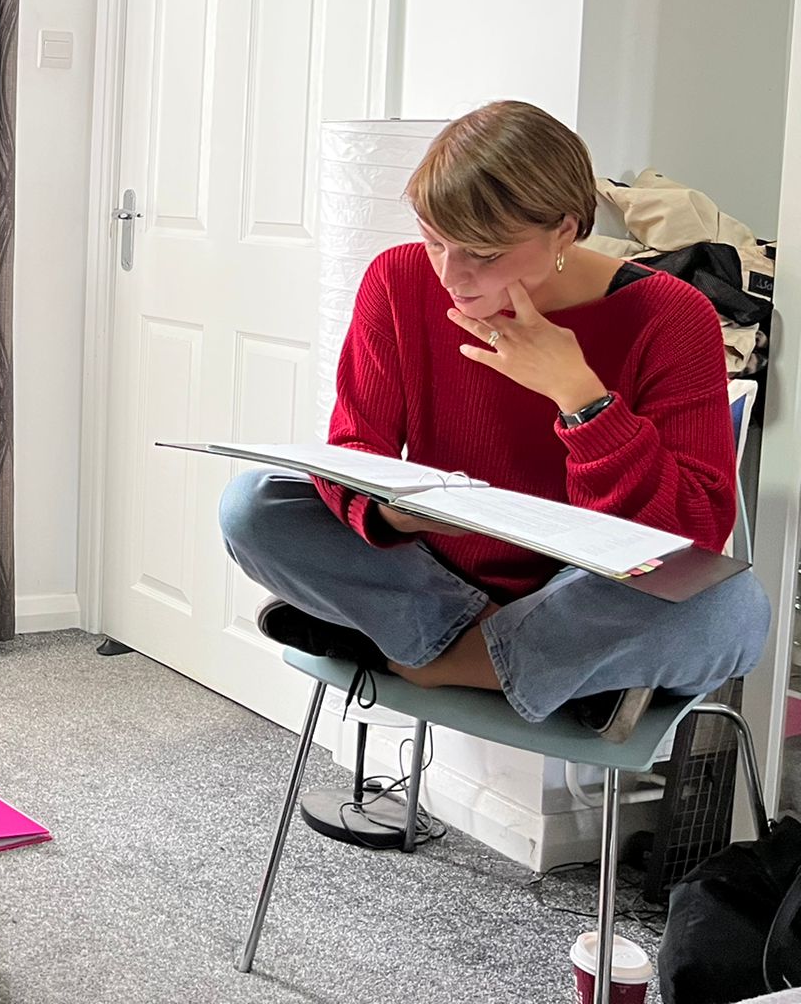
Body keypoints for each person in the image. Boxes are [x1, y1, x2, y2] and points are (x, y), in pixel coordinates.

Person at [220, 100, 769, 742]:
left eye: (483, 253)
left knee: (733, 612)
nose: (452, 276)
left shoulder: (673, 315)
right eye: (435, 240)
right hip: (432, 568)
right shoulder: (398, 279)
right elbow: (353, 446)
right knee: (255, 505)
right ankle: (541, 669)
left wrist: (581, 398)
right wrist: (393, 514)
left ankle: (430, 662)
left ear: (564, 231)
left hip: (587, 590)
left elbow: (694, 534)